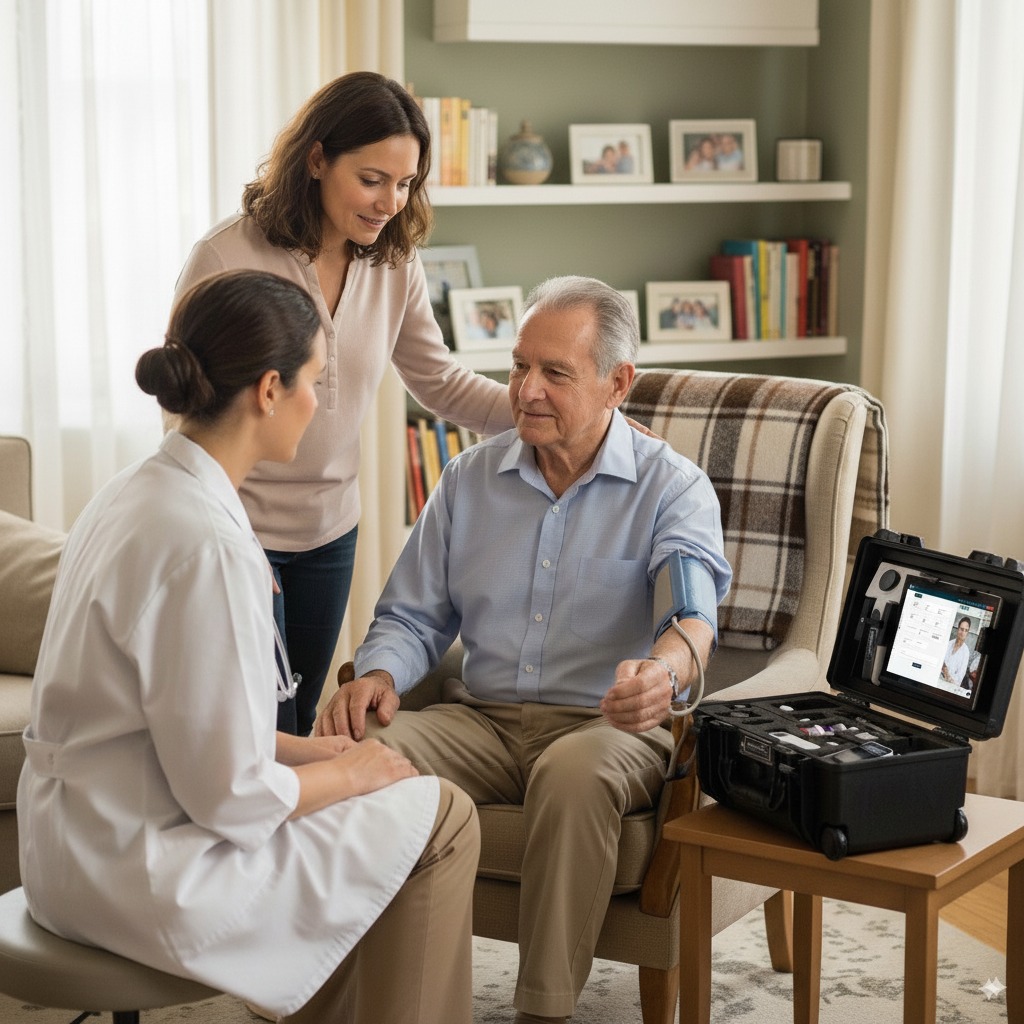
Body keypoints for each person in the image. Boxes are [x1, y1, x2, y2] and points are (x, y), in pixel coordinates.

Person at [18, 270, 480, 1024]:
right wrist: (357, 772)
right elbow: (229, 798)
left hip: (72, 847)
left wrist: (313, 755)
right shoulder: (208, 544)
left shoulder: (131, 493)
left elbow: (173, 723)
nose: (322, 405)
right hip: (146, 877)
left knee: (381, 798)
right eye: (315, 383)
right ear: (269, 389)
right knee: (444, 815)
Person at [316, 276, 732, 1024]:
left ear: (618, 383)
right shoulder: (469, 478)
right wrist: (377, 673)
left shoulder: (673, 488)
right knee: (357, 750)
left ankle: (542, 1011)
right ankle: (336, 995)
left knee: (572, 778)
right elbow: (413, 615)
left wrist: (663, 674)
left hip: (607, 728)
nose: (525, 390)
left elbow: (693, 618)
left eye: (555, 374)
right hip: (481, 719)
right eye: (517, 367)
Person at [173, 71, 513, 737]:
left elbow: (438, 380)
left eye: (406, 182)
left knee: (297, 722)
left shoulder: (394, 263)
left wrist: (542, 412)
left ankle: (290, 845)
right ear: (318, 159)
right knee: (253, 727)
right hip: (237, 529)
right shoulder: (226, 255)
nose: (390, 200)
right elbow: (190, 402)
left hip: (330, 531)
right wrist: (227, 534)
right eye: (372, 179)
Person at [941, 616, 973, 687]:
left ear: (968, 632)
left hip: (950, 685)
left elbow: (959, 679)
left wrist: (947, 673)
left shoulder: (965, 652)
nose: (963, 633)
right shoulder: (949, 644)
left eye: (966, 630)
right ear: (958, 629)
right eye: (961, 629)